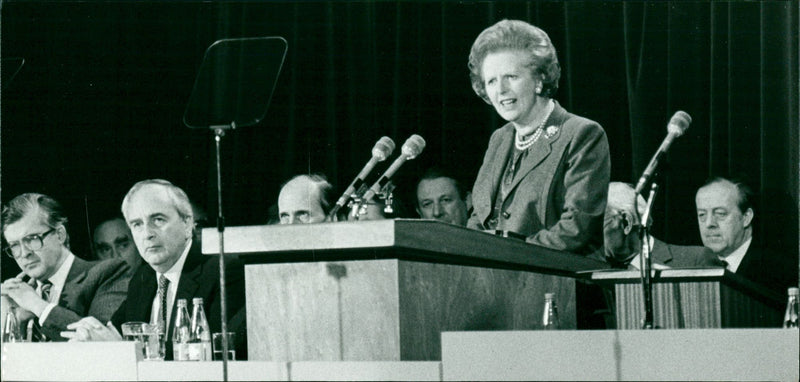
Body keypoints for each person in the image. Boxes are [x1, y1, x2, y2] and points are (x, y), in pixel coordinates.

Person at [466, 19, 610, 255]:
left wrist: (508, 254)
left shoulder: (581, 133)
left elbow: (576, 228)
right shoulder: (499, 139)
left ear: (539, 78)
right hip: (494, 278)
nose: (500, 90)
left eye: (511, 76)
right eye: (491, 80)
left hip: (559, 281)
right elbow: (478, 218)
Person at [62, 179, 247, 359]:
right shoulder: (143, 278)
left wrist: (120, 350)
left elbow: (211, 361)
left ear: (187, 223)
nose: (147, 234)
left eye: (158, 220)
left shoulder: (223, 272)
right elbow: (112, 334)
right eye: (137, 224)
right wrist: (89, 334)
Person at [0, 193, 129, 341]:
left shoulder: (109, 272)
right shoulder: (19, 295)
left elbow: (99, 342)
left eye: (32, 239)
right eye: (15, 245)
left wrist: (37, 305)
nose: (24, 254)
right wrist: (12, 321)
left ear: (60, 234)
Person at [695, 177, 798, 294]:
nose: (709, 223)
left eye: (720, 214)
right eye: (702, 214)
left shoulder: (780, 272)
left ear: (746, 217)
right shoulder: (695, 267)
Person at [600, 182, 717, 269]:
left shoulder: (696, 260)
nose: (590, 236)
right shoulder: (595, 270)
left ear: (627, 223)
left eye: (597, 226)